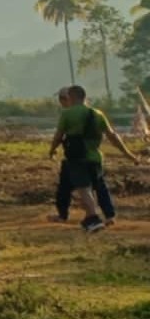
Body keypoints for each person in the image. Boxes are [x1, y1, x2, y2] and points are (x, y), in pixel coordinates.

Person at [49, 85, 141, 233]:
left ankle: (93, 218)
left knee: (84, 188)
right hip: (95, 158)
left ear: (71, 97)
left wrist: (52, 150)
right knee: (99, 185)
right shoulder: (98, 114)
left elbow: (58, 136)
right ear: (85, 97)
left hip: (77, 157)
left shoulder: (68, 114)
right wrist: (129, 154)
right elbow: (113, 136)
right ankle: (109, 216)